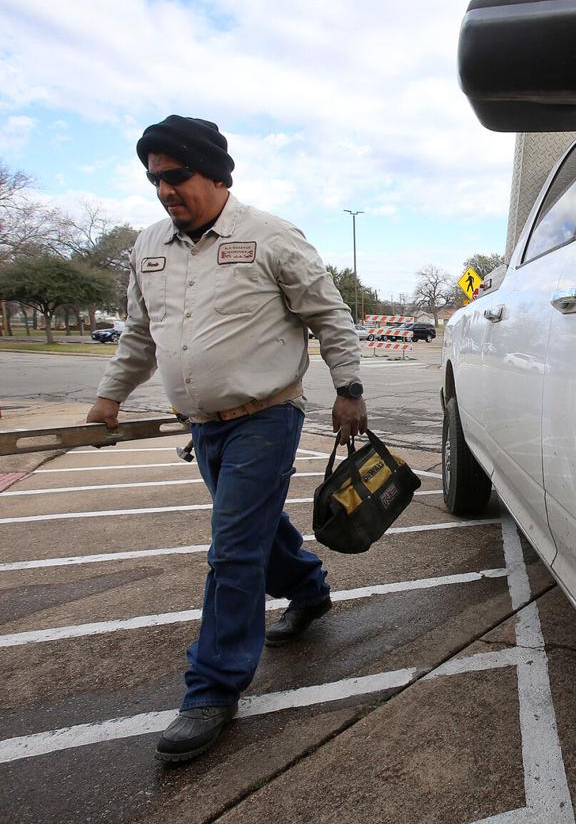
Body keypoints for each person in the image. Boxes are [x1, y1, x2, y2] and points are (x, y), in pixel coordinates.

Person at [86, 115, 368, 763]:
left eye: (175, 175)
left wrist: (348, 387)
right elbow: (138, 334)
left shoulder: (269, 236)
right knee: (256, 532)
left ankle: (212, 686)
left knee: (232, 548)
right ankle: (309, 589)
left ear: (215, 173)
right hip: (203, 426)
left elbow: (329, 314)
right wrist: (108, 398)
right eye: (154, 178)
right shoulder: (148, 245)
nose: (163, 189)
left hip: (266, 416)